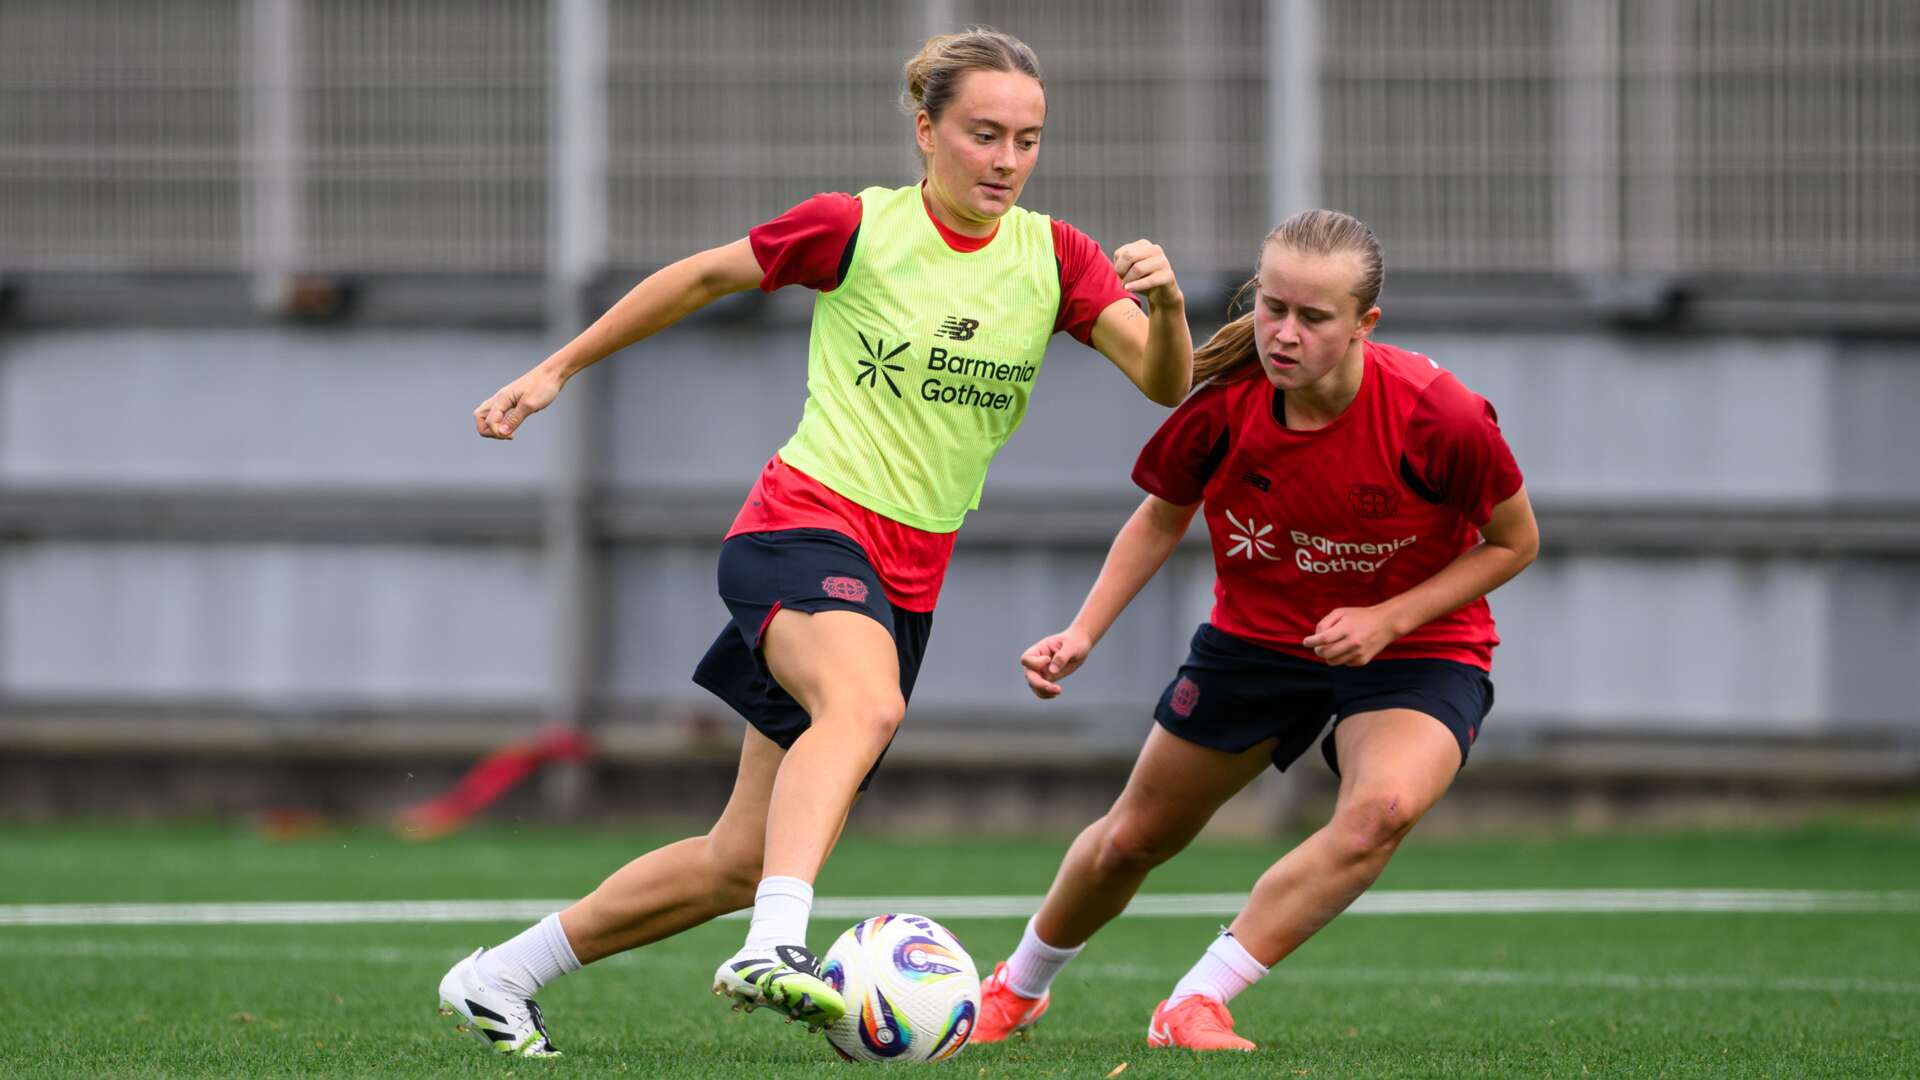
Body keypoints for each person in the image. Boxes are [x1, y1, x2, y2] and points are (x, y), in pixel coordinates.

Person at [435, 27, 1194, 1057]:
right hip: (803, 526)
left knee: (739, 857)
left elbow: (1165, 384)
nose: (1007, 160)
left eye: (1027, 139)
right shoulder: (856, 228)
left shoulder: (1056, 259)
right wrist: (555, 370)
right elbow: (703, 278)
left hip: (909, 578)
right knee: (864, 703)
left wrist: (1168, 306)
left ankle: (499, 976)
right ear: (926, 131)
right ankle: (774, 949)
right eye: (982, 134)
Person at [970, 209, 1539, 1051]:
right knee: (1133, 838)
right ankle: (1017, 990)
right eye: (1273, 307)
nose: (1284, 333)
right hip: (1258, 642)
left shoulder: (1438, 417)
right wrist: (1084, 631)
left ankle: (1196, 1001)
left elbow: (1515, 542)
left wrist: (1388, 617)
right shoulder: (1227, 406)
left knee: (1379, 810)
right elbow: (1160, 519)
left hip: (1418, 645)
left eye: (1313, 317)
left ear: (1363, 325)